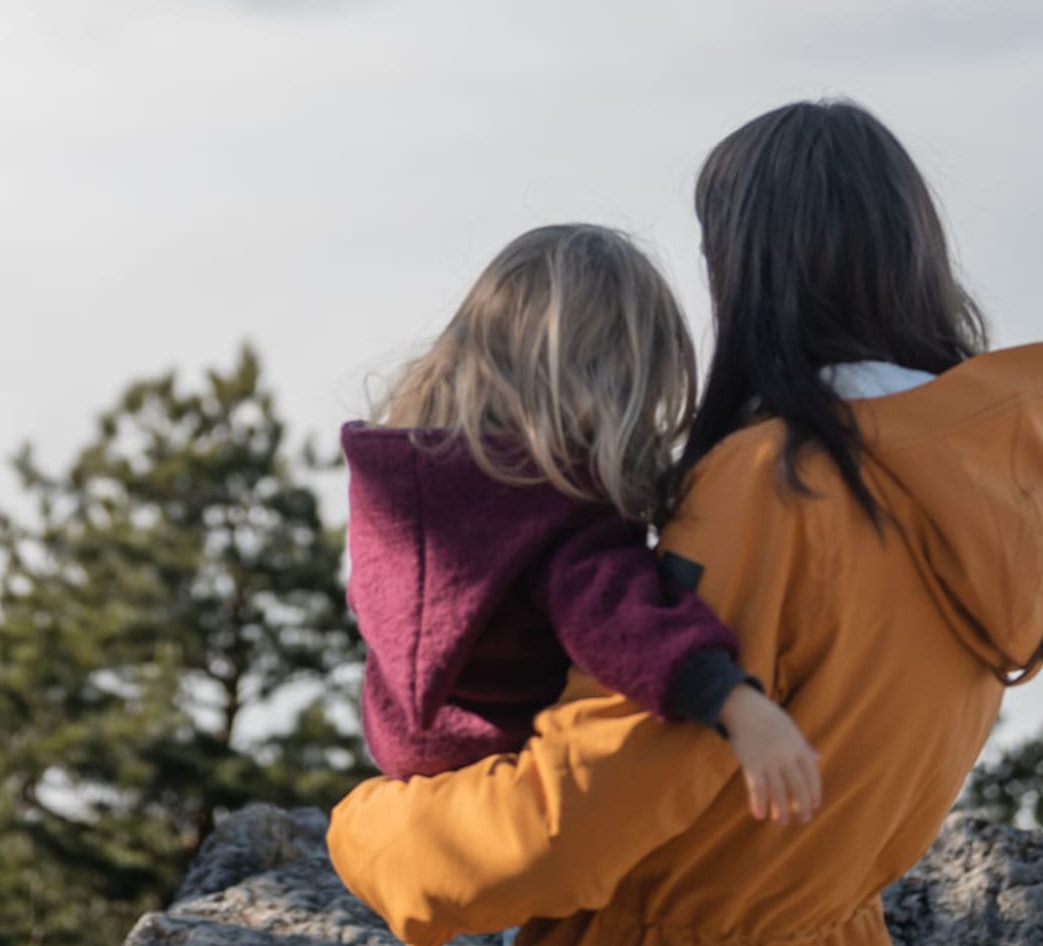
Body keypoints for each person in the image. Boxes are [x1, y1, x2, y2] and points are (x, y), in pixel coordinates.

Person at [328, 100, 1043, 946]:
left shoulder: (774, 483)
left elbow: (584, 808)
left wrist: (374, 832)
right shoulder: (998, 485)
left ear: (746, 269)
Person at [343, 223, 819, 824]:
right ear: (614, 383)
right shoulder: (551, 508)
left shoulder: (405, 486)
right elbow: (619, 619)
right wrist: (737, 705)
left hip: (407, 760)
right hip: (509, 770)